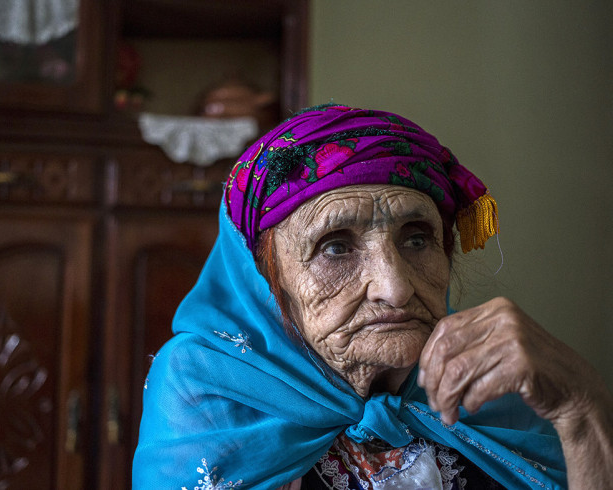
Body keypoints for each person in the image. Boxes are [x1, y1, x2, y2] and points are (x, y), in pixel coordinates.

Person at [132, 104, 613, 489]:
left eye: (417, 239)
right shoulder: (211, 395)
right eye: (335, 247)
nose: (395, 287)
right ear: (263, 280)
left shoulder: (495, 386)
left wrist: (583, 410)